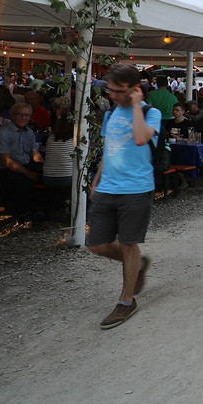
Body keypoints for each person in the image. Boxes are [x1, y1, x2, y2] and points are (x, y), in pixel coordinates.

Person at [86, 62, 162, 330]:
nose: (112, 95)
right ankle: (137, 264)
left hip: (136, 189)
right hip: (108, 187)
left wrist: (138, 106)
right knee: (95, 243)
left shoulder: (151, 114)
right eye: (110, 90)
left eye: (118, 91)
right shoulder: (110, 115)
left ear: (134, 89)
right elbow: (111, 150)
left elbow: (141, 139)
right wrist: (96, 180)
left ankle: (126, 301)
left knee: (128, 243)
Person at [0, 103, 45, 219]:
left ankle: (43, 208)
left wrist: (41, 166)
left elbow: (35, 153)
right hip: (2, 170)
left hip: (22, 166)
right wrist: (29, 174)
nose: (24, 118)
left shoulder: (28, 131)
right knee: (22, 180)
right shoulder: (2, 133)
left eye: (27, 115)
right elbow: (6, 161)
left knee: (49, 175)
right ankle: (23, 213)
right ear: (12, 115)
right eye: (20, 115)